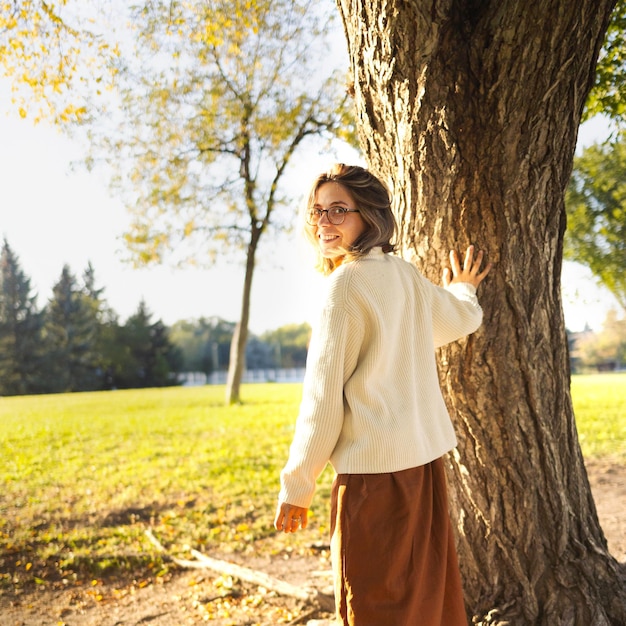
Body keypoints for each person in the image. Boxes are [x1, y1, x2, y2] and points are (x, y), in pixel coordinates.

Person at [274, 163, 491, 625]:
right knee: (425, 601)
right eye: (317, 212)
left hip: (373, 479)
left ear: (369, 217)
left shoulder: (344, 286)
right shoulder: (403, 274)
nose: (324, 223)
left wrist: (298, 485)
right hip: (424, 470)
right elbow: (458, 318)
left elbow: (322, 400)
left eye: (338, 211)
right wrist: (465, 289)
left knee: (372, 606)